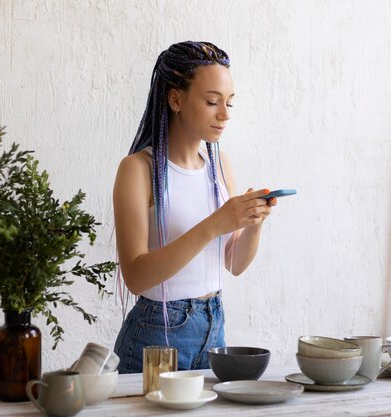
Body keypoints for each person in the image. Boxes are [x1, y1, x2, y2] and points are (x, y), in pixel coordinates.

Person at [112, 41, 277, 373]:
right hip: (157, 333)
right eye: (212, 101)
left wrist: (253, 223)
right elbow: (136, 277)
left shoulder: (220, 167)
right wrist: (214, 224)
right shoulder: (138, 169)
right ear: (176, 99)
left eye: (230, 103)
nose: (225, 114)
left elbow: (233, 263)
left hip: (214, 324)